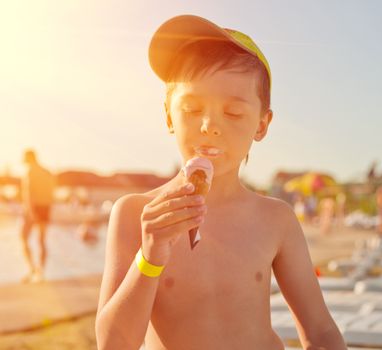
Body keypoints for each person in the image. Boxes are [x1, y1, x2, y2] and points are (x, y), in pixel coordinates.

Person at [95, 15, 346, 350]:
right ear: (169, 116)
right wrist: (150, 256)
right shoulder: (136, 214)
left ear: (261, 125)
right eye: (192, 108)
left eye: (233, 113)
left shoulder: (275, 220)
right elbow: (113, 344)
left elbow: (320, 332)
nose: (210, 125)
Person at [19, 149, 56, 283]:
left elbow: (28, 193)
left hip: (33, 208)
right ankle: (41, 272)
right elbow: (52, 194)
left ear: (29, 158)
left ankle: (32, 269)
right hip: (45, 208)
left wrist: (31, 211)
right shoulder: (47, 172)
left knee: (23, 237)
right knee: (41, 240)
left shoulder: (30, 172)